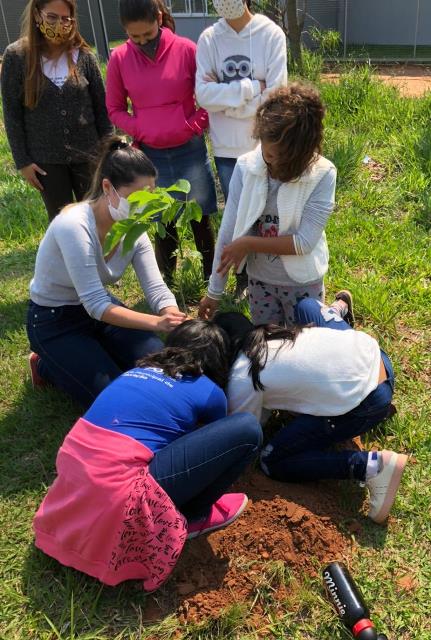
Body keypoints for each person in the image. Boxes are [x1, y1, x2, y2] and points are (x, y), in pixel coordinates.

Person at [33, 320, 263, 590]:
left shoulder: (136, 371)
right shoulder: (209, 391)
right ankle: (193, 516)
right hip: (124, 491)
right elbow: (215, 444)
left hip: (76, 472)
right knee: (247, 429)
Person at [214, 294, 408, 525]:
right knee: (306, 306)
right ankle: (336, 312)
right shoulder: (274, 333)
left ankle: (373, 466)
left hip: (368, 401)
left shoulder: (241, 375)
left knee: (272, 461)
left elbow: (247, 432)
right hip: (376, 357)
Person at [27, 136, 187, 407]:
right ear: (107, 187)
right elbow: (95, 304)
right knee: (115, 399)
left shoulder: (134, 228)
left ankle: (91, 354)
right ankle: (45, 364)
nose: (143, 208)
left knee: (163, 368)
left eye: (151, 197)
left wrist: (169, 312)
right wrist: (156, 324)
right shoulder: (74, 225)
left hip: (101, 312)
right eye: (136, 198)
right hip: (54, 320)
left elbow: (157, 288)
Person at [199, 83, 337, 325]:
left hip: (303, 283)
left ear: (302, 153)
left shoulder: (323, 174)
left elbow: (304, 242)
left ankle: (340, 308)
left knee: (304, 348)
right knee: (267, 346)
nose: (270, 162)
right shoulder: (246, 167)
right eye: (267, 153)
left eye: (279, 157)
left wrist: (249, 243)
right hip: (260, 281)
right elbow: (228, 233)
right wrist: (214, 291)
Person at [106, 0, 217, 281]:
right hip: (150, 155)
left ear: (159, 18)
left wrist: (193, 125)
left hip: (189, 150)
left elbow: (207, 97)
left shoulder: (186, 49)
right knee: (160, 222)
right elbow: (114, 108)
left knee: (200, 217)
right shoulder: (119, 58)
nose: (142, 41)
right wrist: (140, 128)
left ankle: (211, 279)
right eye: (135, 37)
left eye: (148, 34)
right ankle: (167, 283)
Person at [0, 0, 112, 221]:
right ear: (36, 15)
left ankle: (97, 257)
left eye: (65, 19)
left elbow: (102, 109)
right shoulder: (17, 57)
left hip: (89, 157)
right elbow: (12, 113)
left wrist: (108, 153)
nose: (59, 24)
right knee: (63, 223)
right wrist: (22, 161)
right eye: (52, 17)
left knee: (94, 219)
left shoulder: (84, 57)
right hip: (45, 162)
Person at [196, 0, 287, 201]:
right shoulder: (209, 39)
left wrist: (225, 105)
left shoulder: (271, 34)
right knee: (237, 219)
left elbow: (275, 99)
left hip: (264, 148)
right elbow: (203, 96)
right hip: (226, 151)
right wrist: (254, 87)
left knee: (268, 218)